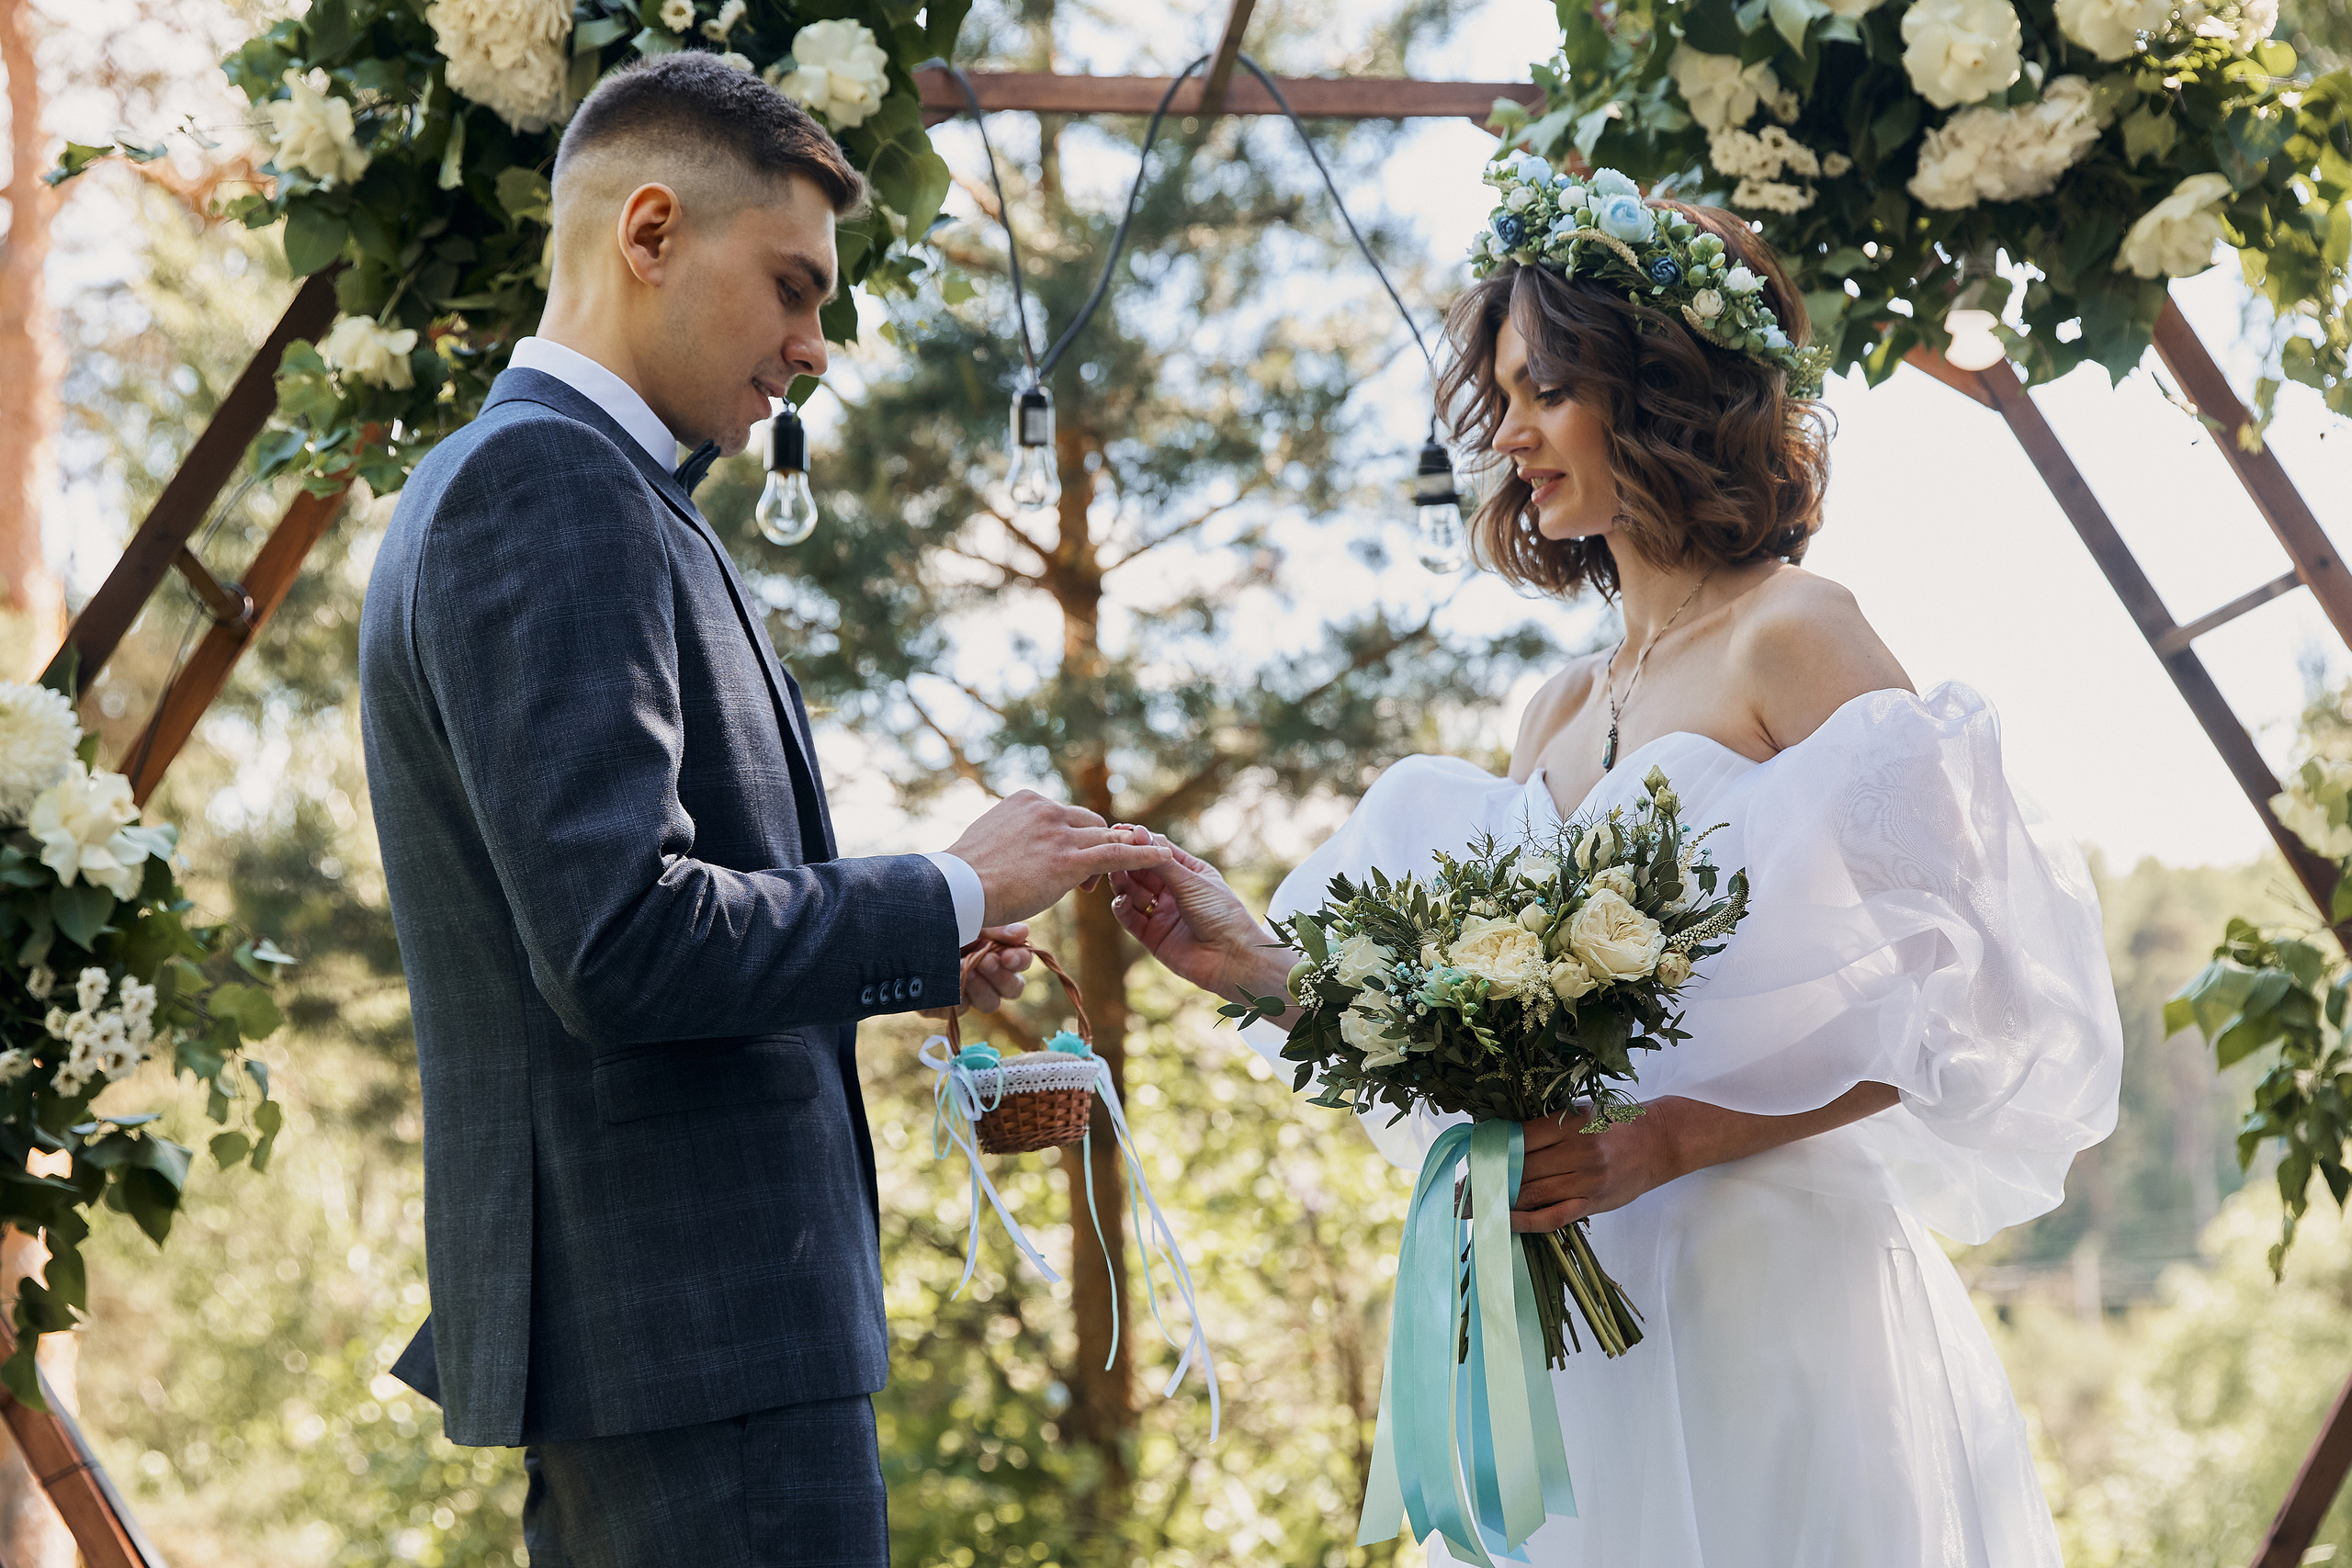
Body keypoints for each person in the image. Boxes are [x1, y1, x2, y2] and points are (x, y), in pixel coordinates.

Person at [1110, 164, 2123, 1565]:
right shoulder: (1557, 711)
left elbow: (1978, 1001)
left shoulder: (1796, 634)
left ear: (1656, 392)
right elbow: (1468, 1030)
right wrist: (1252, 964)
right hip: (1581, 1327)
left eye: (1544, 390)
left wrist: (1677, 1139)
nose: (1510, 434)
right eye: (1501, 398)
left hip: (1769, 1294)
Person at [356, 53, 1170, 1568]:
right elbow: (621, 943)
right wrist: (947, 887)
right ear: (650, 231)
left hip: (679, 1349)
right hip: (697, 1343)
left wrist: (917, 947)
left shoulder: (588, 488)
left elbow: (643, 917)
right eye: (794, 288)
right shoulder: (551, 487)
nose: (813, 346)